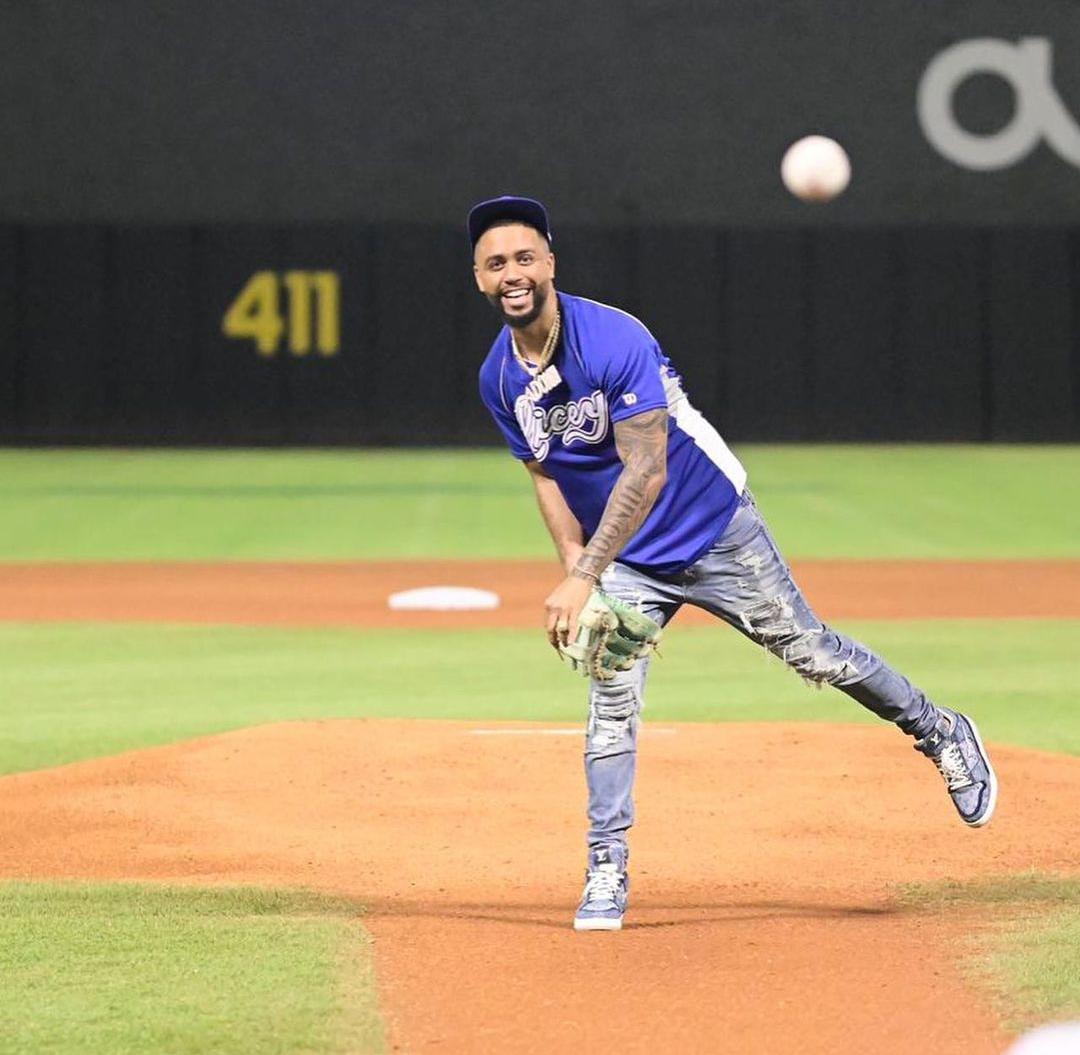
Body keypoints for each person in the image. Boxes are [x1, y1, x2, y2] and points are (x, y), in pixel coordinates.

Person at [469, 195, 998, 932]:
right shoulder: (499, 378)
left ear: (550, 263)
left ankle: (940, 729)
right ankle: (605, 863)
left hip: (714, 527)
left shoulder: (613, 336)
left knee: (813, 651)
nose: (513, 272)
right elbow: (546, 474)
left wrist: (583, 574)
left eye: (525, 257)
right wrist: (576, 568)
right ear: (479, 279)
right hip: (623, 560)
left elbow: (647, 468)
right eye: (496, 263)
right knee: (610, 712)